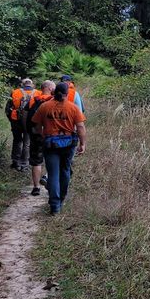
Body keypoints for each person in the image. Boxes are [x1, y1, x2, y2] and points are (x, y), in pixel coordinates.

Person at [31, 82, 87, 214]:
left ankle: (55, 206)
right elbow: (80, 127)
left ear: (54, 93)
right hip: (68, 144)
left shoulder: (45, 106)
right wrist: (82, 144)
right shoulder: (72, 108)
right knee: (65, 171)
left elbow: (37, 126)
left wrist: (41, 135)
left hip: (50, 144)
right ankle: (61, 199)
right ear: (67, 94)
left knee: (53, 173)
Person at [25, 80, 55, 196]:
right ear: (49, 88)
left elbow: (27, 118)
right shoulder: (54, 101)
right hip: (50, 135)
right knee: (51, 159)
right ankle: (47, 178)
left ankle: (36, 187)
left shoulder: (34, 100)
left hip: (36, 135)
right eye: (54, 88)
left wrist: (29, 132)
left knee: (36, 162)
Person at [6, 78, 40, 171]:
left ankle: (15, 162)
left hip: (16, 121)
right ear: (32, 84)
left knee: (17, 141)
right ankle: (24, 164)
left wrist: (11, 120)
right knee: (27, 143)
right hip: (30, 121)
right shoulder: (38, 93)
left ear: (22, 84)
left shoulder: (15, 92)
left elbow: (8, 109)